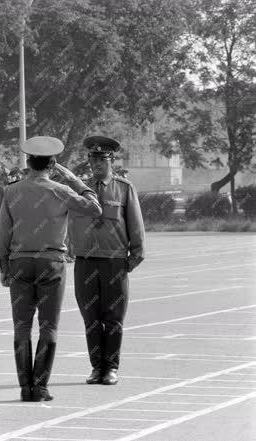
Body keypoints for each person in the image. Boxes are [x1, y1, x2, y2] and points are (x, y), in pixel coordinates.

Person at [0, 136, 102, 402]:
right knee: (48, 327)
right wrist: (75, 181)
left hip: (20, 262)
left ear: (28, 162)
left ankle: (24, 387)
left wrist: (3, 266)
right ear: (53, 164)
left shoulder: (12, 190)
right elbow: (95, 208)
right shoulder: (61, 190)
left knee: (21, 327)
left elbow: (2, 233)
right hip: (51, 263)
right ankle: (40, 387)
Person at [69, 135, 145, 386]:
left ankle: (111, 367)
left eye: (102, 159)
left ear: (111, 160)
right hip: (86, 261)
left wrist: (134, 257)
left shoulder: (124, 188)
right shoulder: (80, 188)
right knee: (90, 317)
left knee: (113, 318)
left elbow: (135, 224)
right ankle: (96, 367)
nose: (96, 164)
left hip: (114, 262)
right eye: (92, 159)